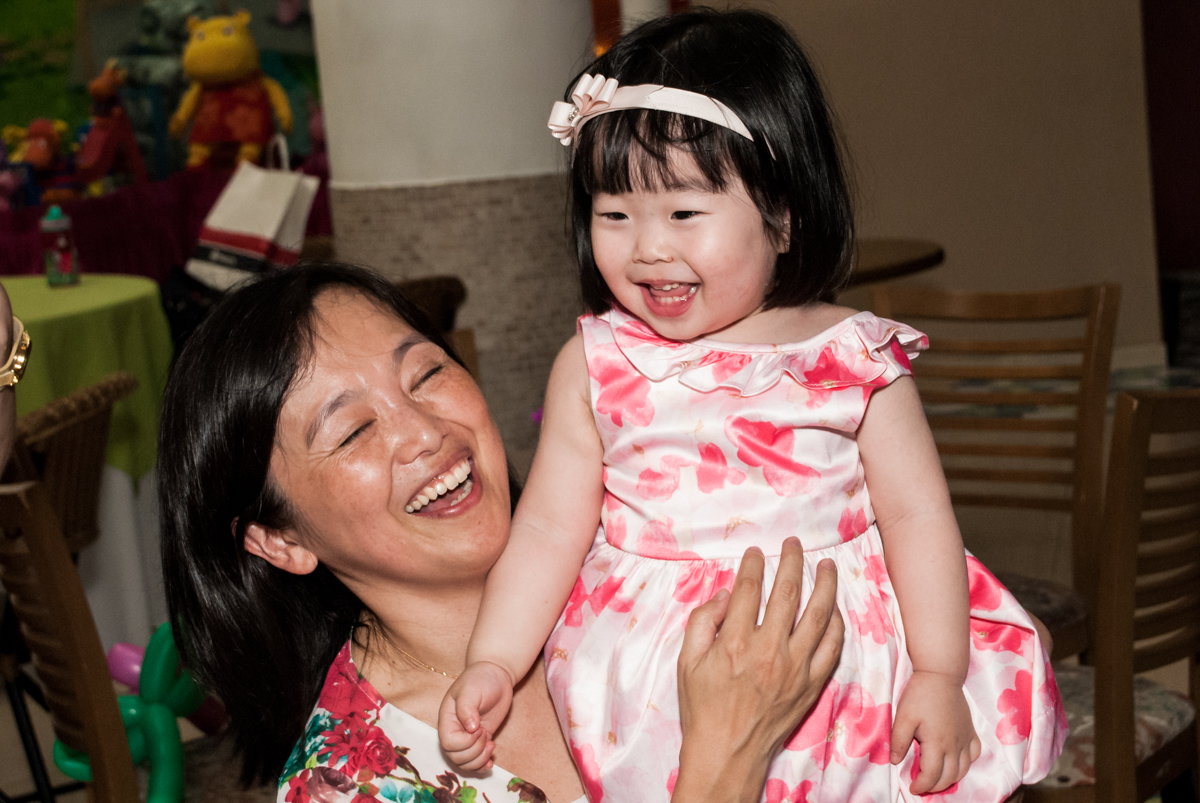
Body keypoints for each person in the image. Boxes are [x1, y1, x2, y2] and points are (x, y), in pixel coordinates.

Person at [440, 9, 1067, 803]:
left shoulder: (851, 356)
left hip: (840, 668)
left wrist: (941, 670)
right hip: (651, 685)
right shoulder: (597, 364)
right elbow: (549, 527)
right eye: (614, 214)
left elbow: (917, 517)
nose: (647, 247)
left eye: (684, 212)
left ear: (781, 213)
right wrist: (493, 658)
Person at [157, 263, 845, 803]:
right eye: (354, 430)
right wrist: (725, 764)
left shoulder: (652, 544)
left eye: (425, 372)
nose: (427, 434)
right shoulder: (354, 781)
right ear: (279, 539)